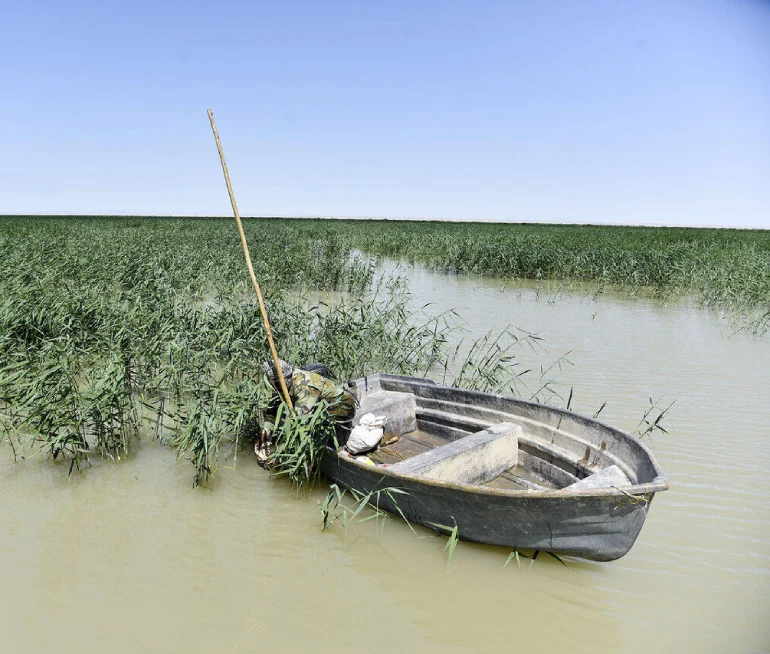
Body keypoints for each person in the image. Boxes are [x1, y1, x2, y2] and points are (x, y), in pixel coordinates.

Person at [256, 359, 357, 463]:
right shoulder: (281, 384)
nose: (275, 388)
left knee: (320, 434)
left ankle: (338, 450)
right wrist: (265, 432)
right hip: (319, 404)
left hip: (341, 405)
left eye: (277, 384)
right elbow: (273, 409)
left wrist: (280, 452)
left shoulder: (304, 385)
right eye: (272, 384)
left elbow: (301, 422)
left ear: (285, 378)